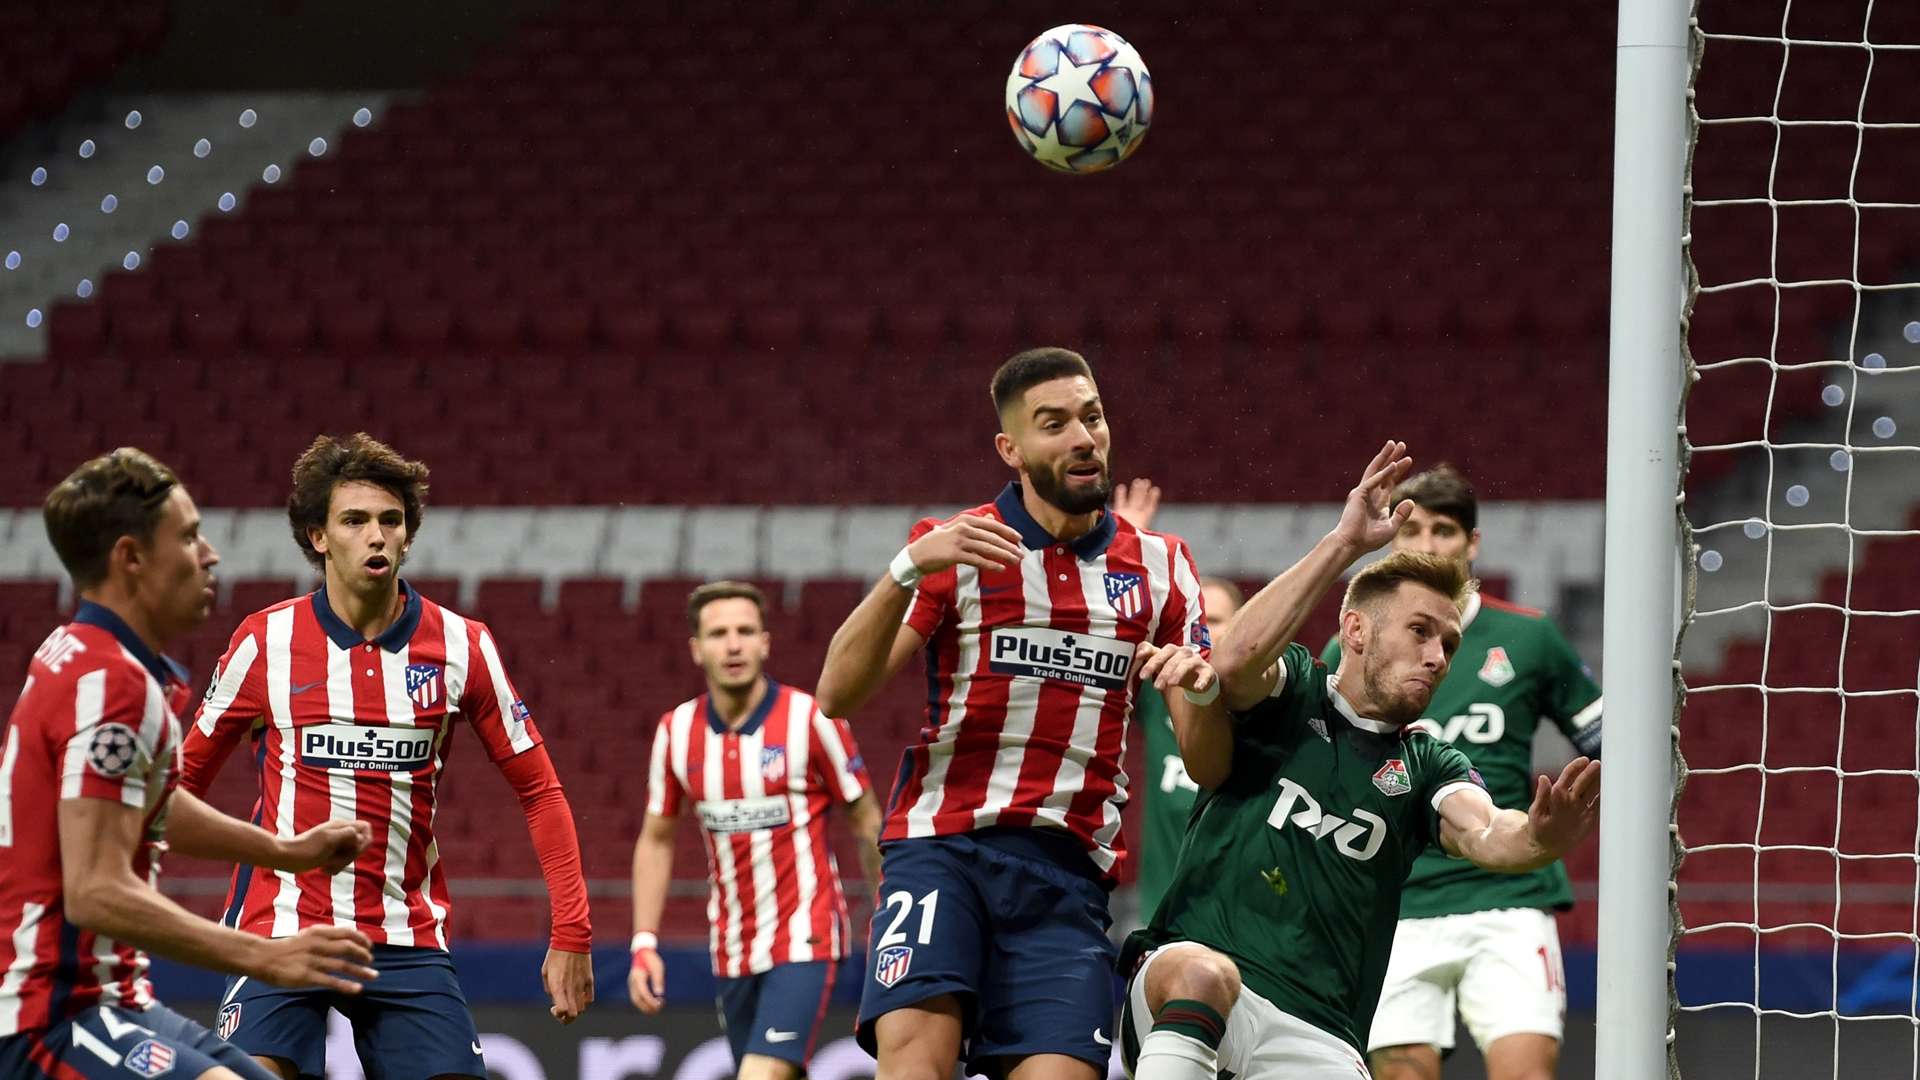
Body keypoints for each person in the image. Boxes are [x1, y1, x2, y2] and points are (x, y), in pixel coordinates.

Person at [1117, 442, 1601, 1080]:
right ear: (1356, 630)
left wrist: (1542, 834)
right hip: (1198, 982)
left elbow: (1487, 830)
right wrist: (1344, 545)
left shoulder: (1428, 763)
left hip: (1321, 1033)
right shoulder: (1292, 688)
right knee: (1202, 972)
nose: (1438, 657)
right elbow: (1231, 661)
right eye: (1421, 631)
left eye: (1449, 643)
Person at [815, 347, 1211, 1080]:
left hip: (1066, 874)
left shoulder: (1162, 567)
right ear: (1012, 448)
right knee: (914, 1066)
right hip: (943, 849)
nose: (1082, 437)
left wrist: (1204, 687)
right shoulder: (957, 545)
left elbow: (1207, 760)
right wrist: (909, 567)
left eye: (1090, 417)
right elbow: (837, 694)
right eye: (1053, 424)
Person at [178, 433, 594, 1080]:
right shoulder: (265, 643)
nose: (376, 535)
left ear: (407, 535)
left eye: (390, 521)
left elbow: (539, 790)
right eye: (354, 521)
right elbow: (180, 784)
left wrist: (572, 933)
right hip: (280, 927)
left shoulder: (463, 645)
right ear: (318, 536)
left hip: (405, 937)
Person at [1, 448, 379, 1080]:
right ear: (130, 558)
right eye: (188, 536)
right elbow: (95, 893)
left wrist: (286, 853)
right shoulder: (110, 684)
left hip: (111, 999)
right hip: (49, 1017)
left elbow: (148, 801)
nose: (210, 554)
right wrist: (266, 957)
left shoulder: (86, 655)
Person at [1318, 464, 1602, 1080]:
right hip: (1394, 898)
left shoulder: (1528, 639)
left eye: (1442, 530)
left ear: (1471, 544)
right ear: (1390, 540)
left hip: (1508, 893)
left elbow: (1609, 744)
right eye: (1410, 528)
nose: (1424, 544)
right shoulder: (1349, 647)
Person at [628, 581, 881, 1080]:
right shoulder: (675, 731)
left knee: (760, 1075)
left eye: (746, 631)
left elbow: (866, 819)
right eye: (719, 633)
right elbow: (656, 838)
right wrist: (643, 942)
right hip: (732, 945)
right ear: (697, 649)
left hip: (805, 936)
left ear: (766, 642)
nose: (734, 644)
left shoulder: (811, 719)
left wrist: (891, 921)